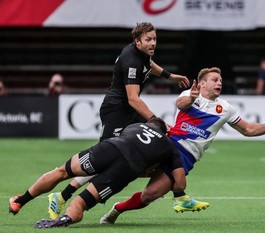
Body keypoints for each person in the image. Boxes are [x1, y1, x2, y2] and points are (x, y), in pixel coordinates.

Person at [99, 67, 265, 224]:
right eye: (215, 79)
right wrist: (191, 97)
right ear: (203, 83)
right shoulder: (190, 95)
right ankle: (91, 182)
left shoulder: (226, 109)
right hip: (166, 145)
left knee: (150, 195)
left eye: (221, 80)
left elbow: (247, 129)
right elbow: (181, 103)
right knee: (126, 170)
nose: (219, 83)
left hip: (186, 157)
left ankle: (116, 210)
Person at [46, 22, 192, 219]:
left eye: (155, 39)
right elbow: (133, 98)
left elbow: (149, 65)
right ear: (137, 41)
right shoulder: (131, 59)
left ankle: (165, 183)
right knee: (102, 160)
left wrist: (170, 76)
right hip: (117, 111)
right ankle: (61, 196)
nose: (153, 43)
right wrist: (152, 118)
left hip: (129, 110)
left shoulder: (141, 52)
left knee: (156, 135)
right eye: (149, 39)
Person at [9, 117, 186, 228]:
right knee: (80, 203)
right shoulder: (169, 146)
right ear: (164, 132)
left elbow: (126, 143)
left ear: (148, 124)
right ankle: (66, 219)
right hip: (126, 170)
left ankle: (19, 201)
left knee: (62, 172)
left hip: (110, 149)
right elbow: (180, 183)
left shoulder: (135, 126)